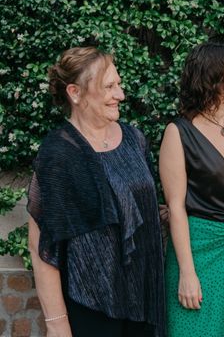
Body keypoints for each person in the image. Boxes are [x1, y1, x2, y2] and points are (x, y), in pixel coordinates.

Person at [27, 47, 165, 337]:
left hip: (142, 299)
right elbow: (41, 245)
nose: (121, 95)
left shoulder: (134, 140)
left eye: (119, 84)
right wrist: (57, 324)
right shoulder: (60, 155)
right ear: (75, 93)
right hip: (90, 305)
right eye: (109, 87)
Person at [160, 42, 224, 337]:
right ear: (212, 79)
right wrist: (187, 272)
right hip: (199, 250)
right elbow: (175, 207)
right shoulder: (178, 132)